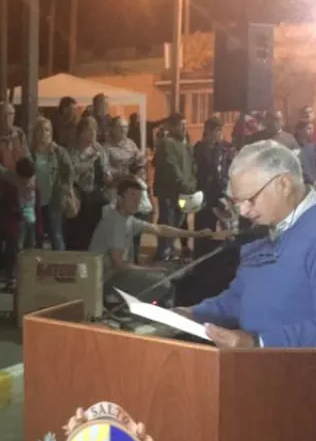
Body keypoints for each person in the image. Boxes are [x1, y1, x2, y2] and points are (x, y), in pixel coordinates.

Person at [180, 141, 316, 348]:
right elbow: (241, 296)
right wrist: (193, 314)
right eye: (238, 202)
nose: (243, 211)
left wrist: (259, 343)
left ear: (284, 184)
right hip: (254, 362)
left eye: (250, 199)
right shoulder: (264, 228)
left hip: (300, 366)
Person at [89, 178, 209, 305]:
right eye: (132, 196)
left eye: (139, 198)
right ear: (120, 198)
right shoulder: (115, 223)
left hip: (119, 274)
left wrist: (195, 234)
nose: (136, 202)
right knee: (163, 283)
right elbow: (119, 265)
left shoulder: (127, 219)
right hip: (107, 281)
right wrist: (151, 269)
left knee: (169, 274)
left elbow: (159, 229)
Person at [0, 102, 30, 291]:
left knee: (14, 238)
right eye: (3, 115)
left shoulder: (19, 134)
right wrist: (13, 178)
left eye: (10, 114)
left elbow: (26, 155)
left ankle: (12, 277)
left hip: (16, 194)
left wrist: (28, 175)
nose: (7, 119)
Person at [153, 113, 197, 261]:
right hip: (169, 192)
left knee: (178, 223)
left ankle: (171, 251)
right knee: (167, 223)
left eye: (185, 124)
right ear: (171, 127)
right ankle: (163, 254)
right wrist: (184, 184)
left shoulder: (186, 142)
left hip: (184, 191)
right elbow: (171, 168)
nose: (184, 127)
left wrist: (192, 182)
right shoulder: (166, 143)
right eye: (180, 125)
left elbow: (192, 165)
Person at [193, 117, 235, 256]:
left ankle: (214, 255)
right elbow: (198, 169)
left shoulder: (224, 148)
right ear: (208, 130)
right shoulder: (199, 148)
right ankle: (200, 255)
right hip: (203, 193)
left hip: (219, 194)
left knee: (220, 227)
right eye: (218, 130)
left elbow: (228, 168)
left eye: (220, 130)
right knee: (202, 226)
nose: (220, 134)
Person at [65, 116, 108, 250]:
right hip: (78, 195)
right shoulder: (72, 150)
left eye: (94, 130)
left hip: (96, 192)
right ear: (81, 132)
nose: (93, 133)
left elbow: (106, 171)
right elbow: (72, 173)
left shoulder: (99, 150)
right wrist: (89, 161)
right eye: (89, 130)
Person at [30, 116, 72, 251]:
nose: (44, 133)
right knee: (35, 237)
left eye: (47, 130)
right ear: (35, 133)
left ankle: (60, 262)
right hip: (33, 200)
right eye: (40, 129)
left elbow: (69, 173)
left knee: (56, 235)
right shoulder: (29, 152)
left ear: (51, 133)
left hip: (54, 199)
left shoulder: (59, 152)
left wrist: (64, 191)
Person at [15, 157, 37, 250]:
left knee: (30, 243)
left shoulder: (32, 184)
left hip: (30, 218)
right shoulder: (17, 185)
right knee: (20, 243)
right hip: (22, 218)